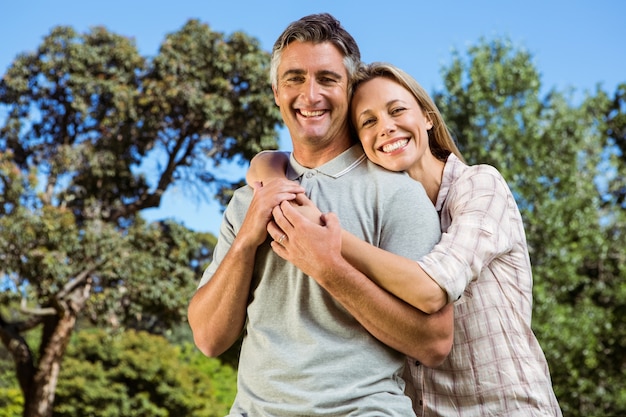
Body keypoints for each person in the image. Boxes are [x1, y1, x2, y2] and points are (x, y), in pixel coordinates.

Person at [249, 62, 563, 416]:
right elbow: (269, 161)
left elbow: (431, 290)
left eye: (397, 110)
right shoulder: (386, 213)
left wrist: (328, 244)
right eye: (368, 122)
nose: (386, 127)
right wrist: (269, 169)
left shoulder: (479, 187)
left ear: (427, 117)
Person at [187, 14, 454, 417]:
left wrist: (329, 268)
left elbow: (434, 344)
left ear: (349, 90)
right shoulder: (249, 199)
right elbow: (208, 338)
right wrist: (245, 240)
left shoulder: (398, 194)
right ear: (276, 91)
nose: (310, 95)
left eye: (327, 79)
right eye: (294, 78)